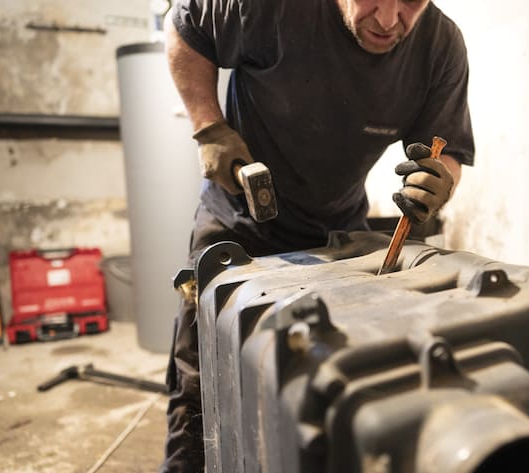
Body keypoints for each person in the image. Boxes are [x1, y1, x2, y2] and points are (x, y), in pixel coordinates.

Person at [161, 0, 475, 470]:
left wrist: (440, 183)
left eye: (411, 1)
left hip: (338, 233)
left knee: (331, 376)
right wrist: (209, 127)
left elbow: (447, 148)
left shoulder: (439, 45)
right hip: (238, 224)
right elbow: (183, 29)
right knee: (203, 380)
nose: (389, 21)